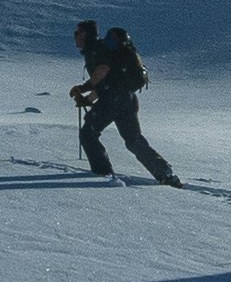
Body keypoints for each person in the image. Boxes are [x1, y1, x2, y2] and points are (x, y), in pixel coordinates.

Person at [70, 20, 182, 185]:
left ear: (85, 34)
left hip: (112, 99)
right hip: (127, 98)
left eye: (77, 33)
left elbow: (103, 71)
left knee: (88, 134)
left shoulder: (95, 49)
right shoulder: (105, 48)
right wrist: (88, 99)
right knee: (133, 140)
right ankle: (165, 173)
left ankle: (103, 175)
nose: (75, 37)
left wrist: (84, 87)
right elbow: (108, 80)